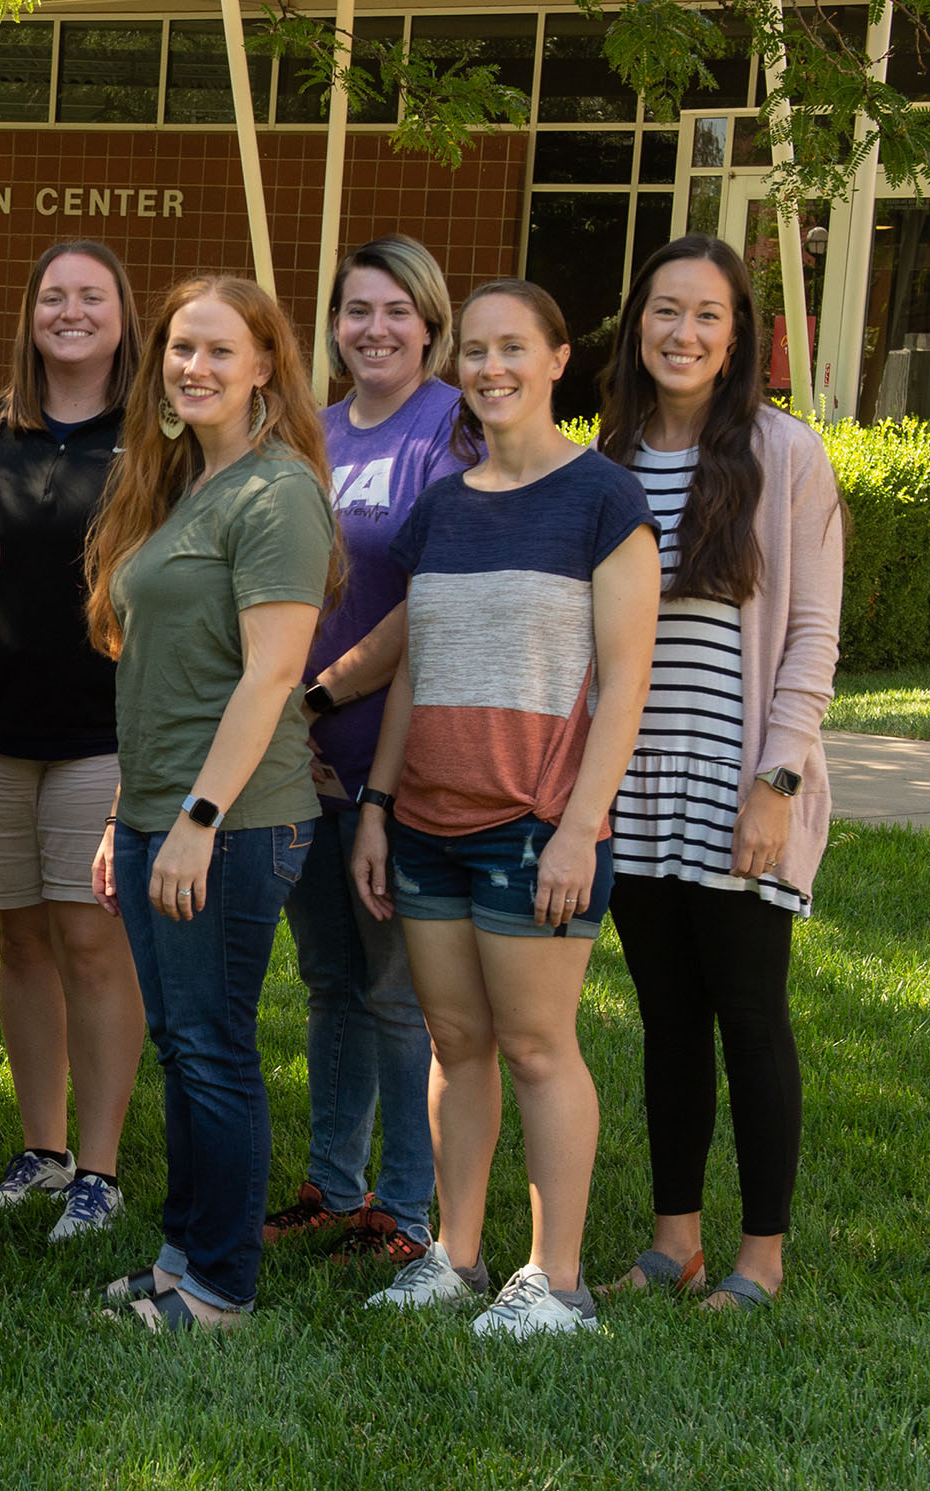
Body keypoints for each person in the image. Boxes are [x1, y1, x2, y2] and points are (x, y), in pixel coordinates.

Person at [351, 279, 657, 1337]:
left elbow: (625, 682)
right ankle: (458, 1254)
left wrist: (580, 825)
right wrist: (378, 805)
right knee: (455, 1042)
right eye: (474, 351)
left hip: (536, 821)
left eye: (512, 348)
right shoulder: (442, 504)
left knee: (535, 1044)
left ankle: (557, 1276)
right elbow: (410, 667)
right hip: (428, 818)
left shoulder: (604, 499)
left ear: (557, 357)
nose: (490, 369)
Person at [595, 236, 843, 1311]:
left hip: (736, 779)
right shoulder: (602, 458)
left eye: (704, 314)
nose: (681, 332)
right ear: (634, 324)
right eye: (662, 310)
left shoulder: (786, 454)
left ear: (738, 334)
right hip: (634, 782)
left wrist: (776, 784)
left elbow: (814, 637)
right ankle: (672, 1241)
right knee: (664, 1015)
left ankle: (760, 1257)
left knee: (750, 1012)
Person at [87, 277, 338, 1333]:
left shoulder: (276, 492)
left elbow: (269, 674)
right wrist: (124, 815)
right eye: (178, 348)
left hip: (231, 821)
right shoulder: (186, 483)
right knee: (182, 1045)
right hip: (159, 812)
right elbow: (159, 671)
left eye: (216, 350)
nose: (191, 366)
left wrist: (193, 817)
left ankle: (223, 1287)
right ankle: (180, 1253)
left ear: (265, 367)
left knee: (212, 1044)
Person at [264, 236, 467, 1272]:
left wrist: (327, 690)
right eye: (354, 311)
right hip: (302, 756)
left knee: (396, 987)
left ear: (430, 321)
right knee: (329, 978)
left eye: (395, 310)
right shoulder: (317, 430)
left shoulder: (450, 430)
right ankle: (331, 1185)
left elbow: (430, 599)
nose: (373, 329)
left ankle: (407, 1206)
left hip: (395, 753)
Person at [0, 240, 145, 1242]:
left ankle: (99, 1172)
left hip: (103, 732)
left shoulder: (157, 432)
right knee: (16, 937)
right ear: (28, 313)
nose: (70, 311)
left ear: (121, 313)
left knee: (92, 941)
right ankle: (41, 1148)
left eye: (90, 296)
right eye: (52, 295)